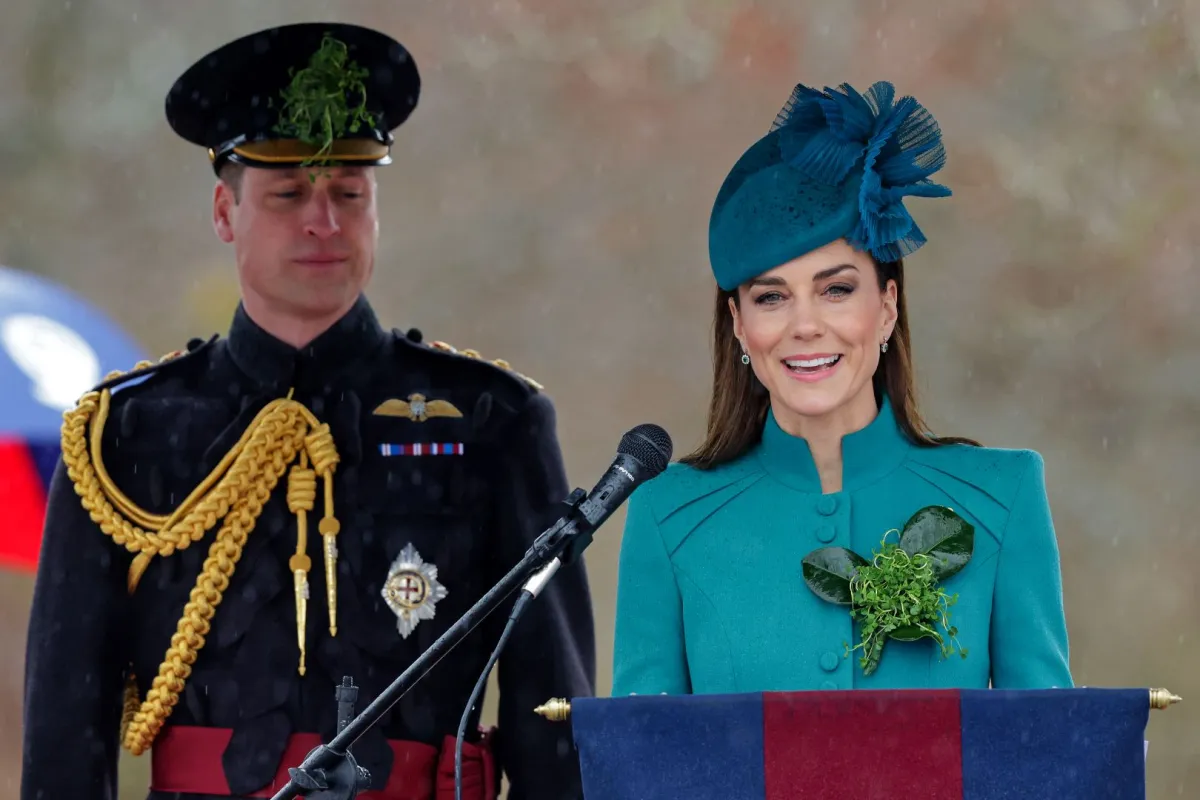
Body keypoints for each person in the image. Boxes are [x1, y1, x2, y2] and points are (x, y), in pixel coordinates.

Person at [21, 22, 595, 800]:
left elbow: (551, 711)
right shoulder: (126, 434)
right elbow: (65, 731)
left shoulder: (490, 420)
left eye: (349, 194)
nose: (324, 223)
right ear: (225, 213)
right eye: (289, 194)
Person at [610, 80, 1071, 697]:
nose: (805, 325)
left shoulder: (1003, 498)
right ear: (740, 326)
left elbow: (1045, 758)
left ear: (886, 307)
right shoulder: (666, 516)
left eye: (836, 289)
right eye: (772, 297)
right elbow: (645, 771)